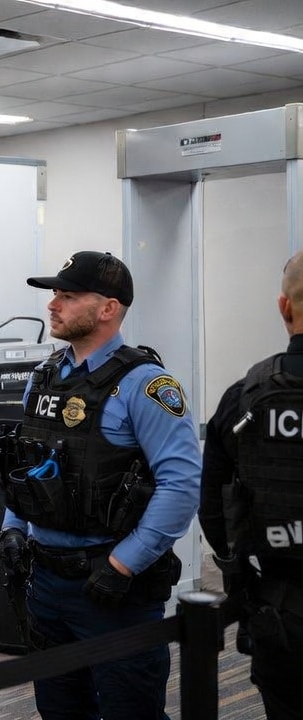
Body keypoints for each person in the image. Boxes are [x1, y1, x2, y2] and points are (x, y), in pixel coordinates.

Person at [0, 250, 200, 719]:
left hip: (111, 587)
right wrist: (14, 527)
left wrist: (123, 565)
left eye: (68, 296)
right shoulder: (44, 378)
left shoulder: (145, 385)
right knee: (60, 708)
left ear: (107, 308)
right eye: (54, 295)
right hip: (45, 579)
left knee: (132, 710)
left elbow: (181, 483)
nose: (53, 305)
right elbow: (27, 464)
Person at [200, 249, 303, 718]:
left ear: (284, 307)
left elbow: (213, 509)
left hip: (282, 611)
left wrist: (241, 582)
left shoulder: (244, 397)